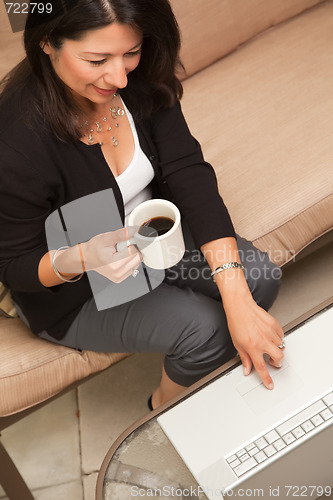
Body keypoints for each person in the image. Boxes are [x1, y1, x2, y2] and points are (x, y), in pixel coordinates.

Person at [0, 0, 284, 411]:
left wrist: (236, 294)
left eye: (129, 52)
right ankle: (161, 410)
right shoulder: (15, 144)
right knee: (206, 330)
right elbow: (12, 267)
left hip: (152, 234)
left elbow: (187, 170)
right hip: (77, 287)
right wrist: (80, 257)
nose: (119, 76)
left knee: (258, 279)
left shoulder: (142, 76)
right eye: (97, 59)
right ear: (47, 42)